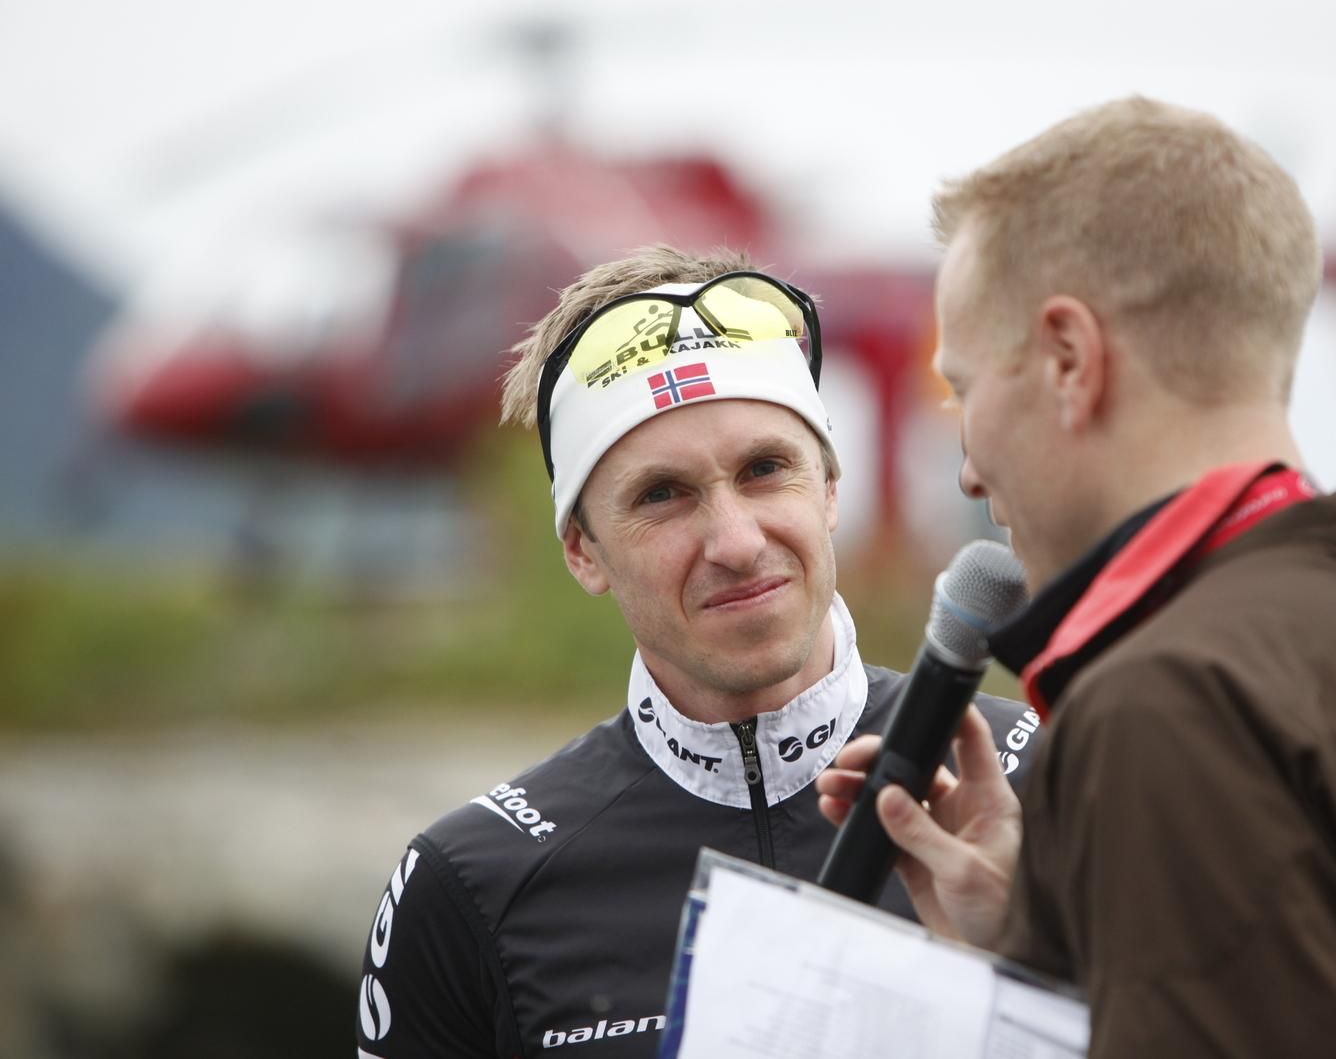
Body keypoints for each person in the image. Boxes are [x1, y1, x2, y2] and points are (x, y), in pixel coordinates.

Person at [818, 96, 1336, 1057]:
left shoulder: (1173, 706)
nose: (969, 469)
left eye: (965, 389)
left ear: (1069, 359)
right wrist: (1052, 937)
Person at [354, 245, 1039, 1058]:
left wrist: (1026, 968)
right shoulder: (471, 884)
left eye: (765, 468)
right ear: (583, 551)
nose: (737, 542)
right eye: (662, 494)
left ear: (829, 486)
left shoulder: (1056, 780)